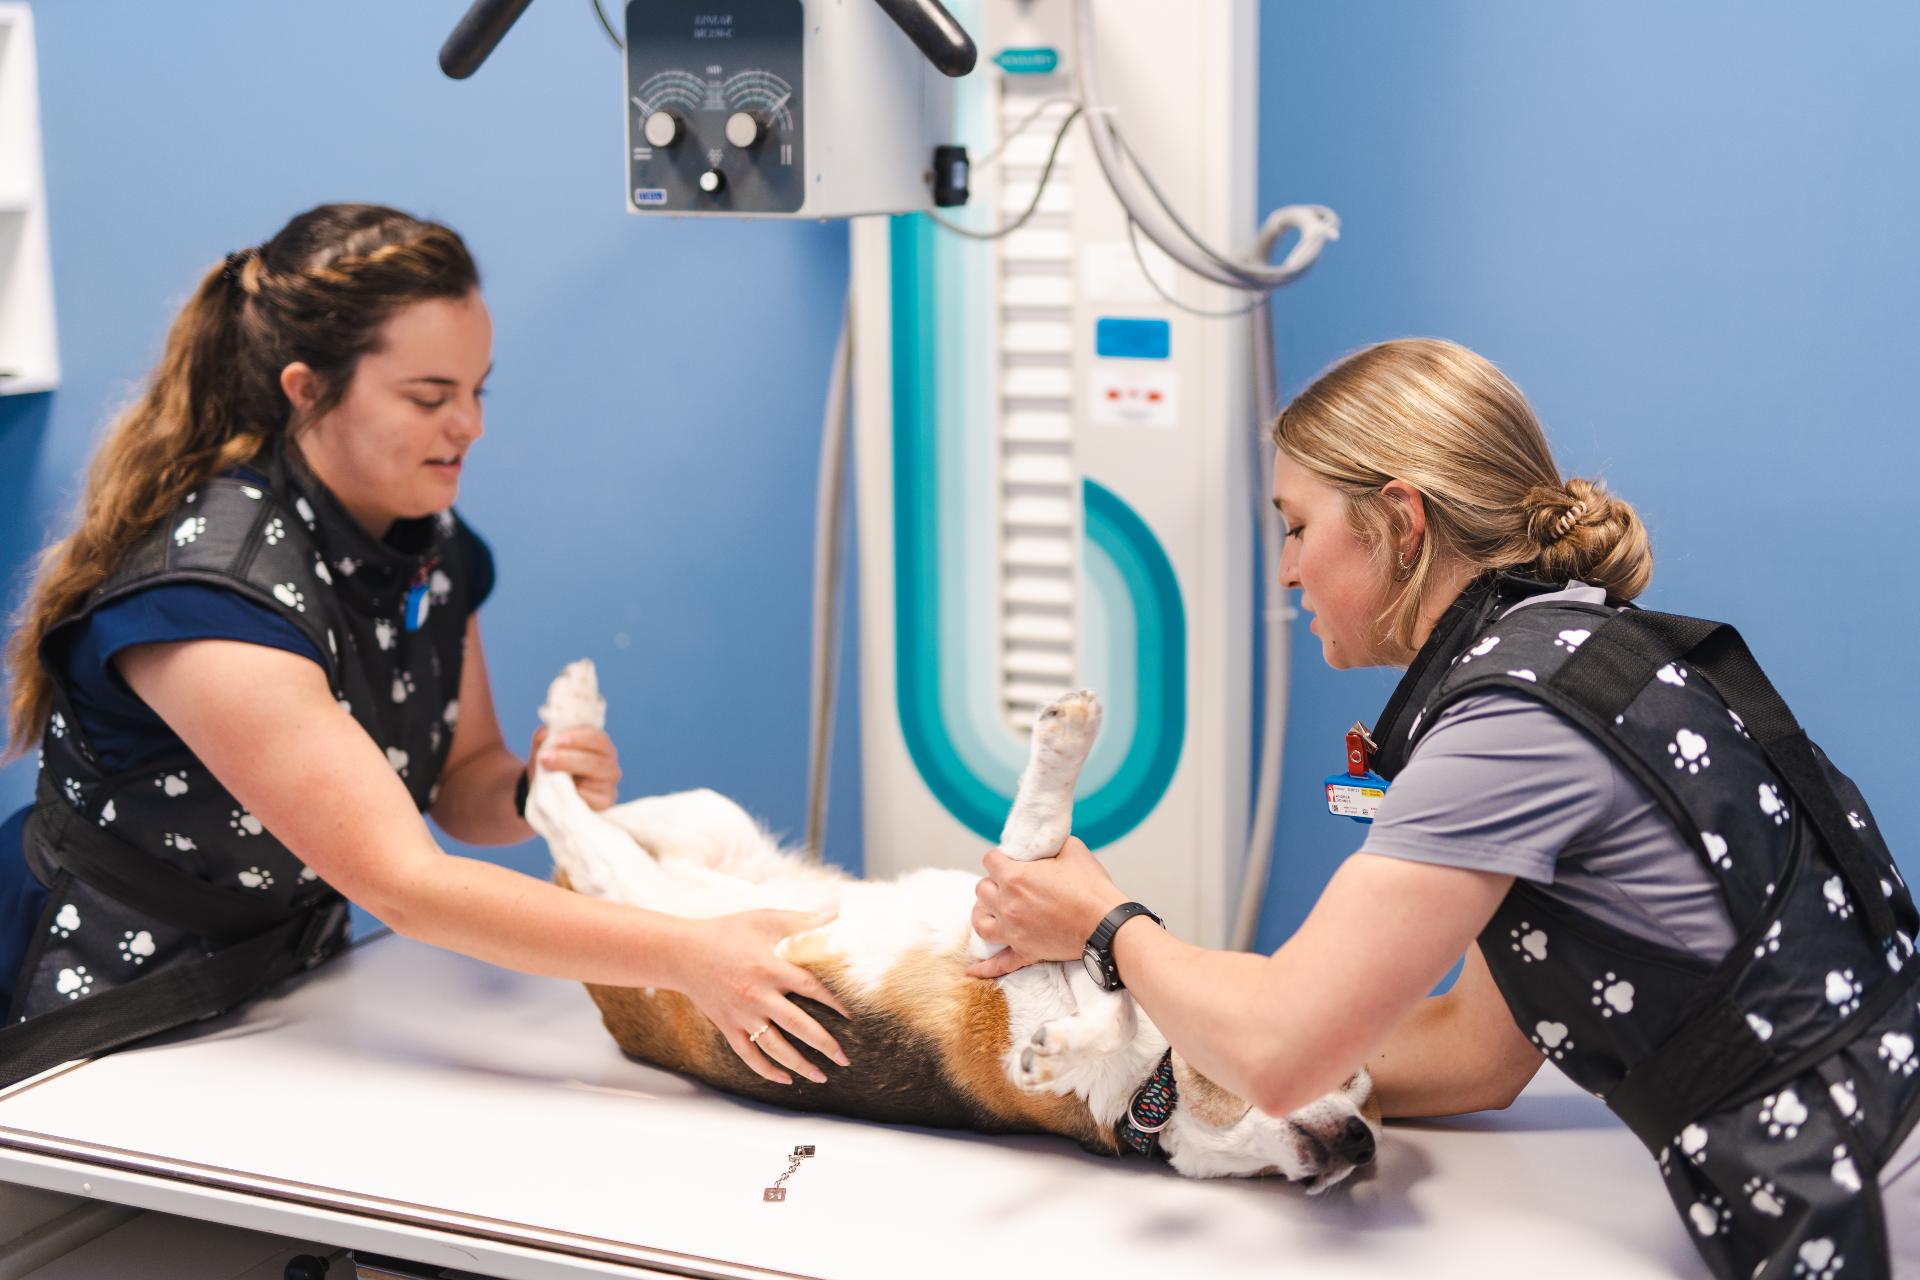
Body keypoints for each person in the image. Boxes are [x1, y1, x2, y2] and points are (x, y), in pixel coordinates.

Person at [969, 339, 1918, 1279]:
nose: (1286, 572)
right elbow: (1478, 1053)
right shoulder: (1576, 655)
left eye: (1297, 527)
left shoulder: (1510, 722)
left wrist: (1105, 927)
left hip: (1881, 1183)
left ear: (1400, 523)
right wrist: (1184, 1066)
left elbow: (1283, 1048)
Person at [0, 203, 846, 1091]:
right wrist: (687, 955)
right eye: (430, 397)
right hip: (104, 1004)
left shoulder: (423, 541)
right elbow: (404, 884)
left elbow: (459, 777)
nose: (469, 426)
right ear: (306, 389)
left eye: (478, 390)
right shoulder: (209, 594)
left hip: (287, 988)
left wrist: (535, 791)